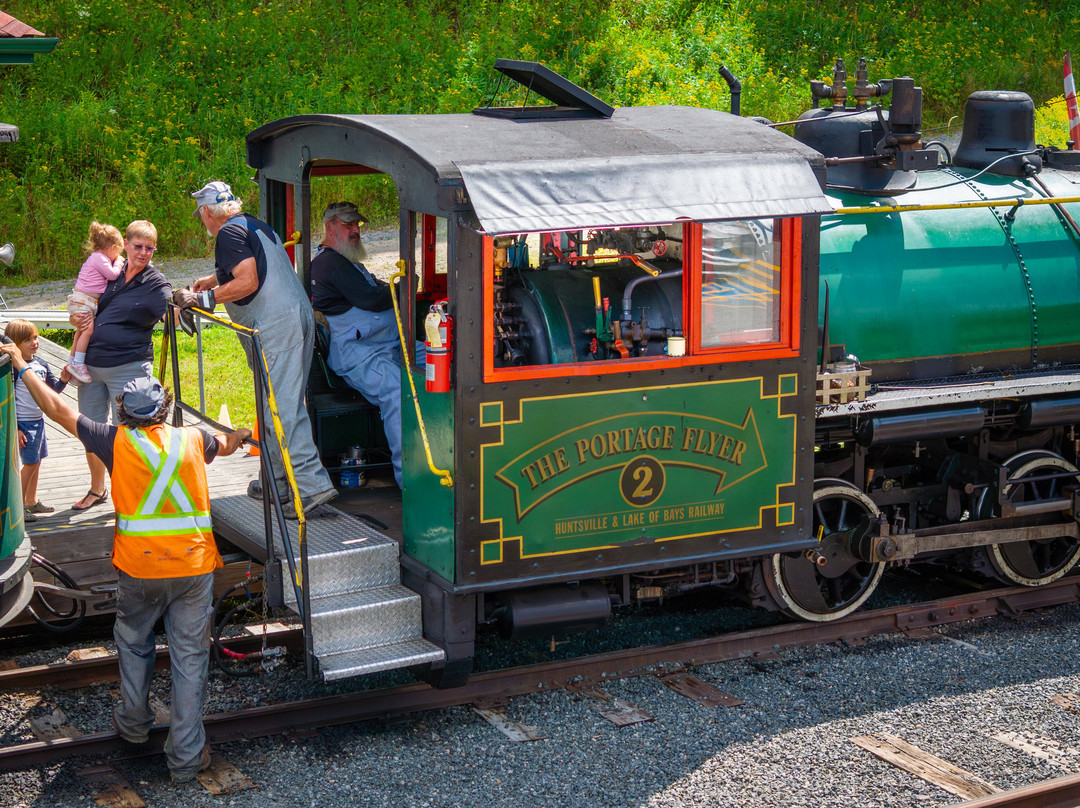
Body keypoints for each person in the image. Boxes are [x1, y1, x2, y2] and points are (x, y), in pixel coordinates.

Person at [0, 342, 250, 782]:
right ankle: (186, 759)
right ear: (164, 408)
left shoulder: (113, 440)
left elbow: (56, 409)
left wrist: (21, 366)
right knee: (190, 658)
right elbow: (227, 445)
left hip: (140, 568)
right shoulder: (193, 438)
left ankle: (134, 725)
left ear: (122, 411)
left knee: (134, 642)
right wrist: (242, 433)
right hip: (194, 568)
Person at [178, 180, 336, 516]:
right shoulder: (253, 224)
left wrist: (202, 299)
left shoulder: (227, 234)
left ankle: (311, 488)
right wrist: (215, 279)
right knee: (272, 404)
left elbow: (248, 280)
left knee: (282, 408)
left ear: (206, 213)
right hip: (295, 316)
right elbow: (255, 266)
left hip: (276, 325)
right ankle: (275, 483)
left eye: (200, 215)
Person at [310, 201, 424, 487]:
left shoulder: (348, 262)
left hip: (389, 344)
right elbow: (371, 298)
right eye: (348, 225)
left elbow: (376, 289)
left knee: (444, 359)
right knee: (396, 391)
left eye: (357, 224)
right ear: (330, 227)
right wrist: (402, 286)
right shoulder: (329, 263)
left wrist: (394, 287)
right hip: (360, 354)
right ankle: (410, 481)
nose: (355, 230)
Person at [69, 220, 171, 512]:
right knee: (90, 431)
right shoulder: (109, 270)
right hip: (90, 368)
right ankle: (97, 489)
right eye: (138, 246)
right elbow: (84, 301)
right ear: (125, 244)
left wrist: (183, 306)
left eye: (149, 248)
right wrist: (75, 318)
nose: (143, 253)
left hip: (129, 368)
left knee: (130, 434)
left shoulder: (155, 283)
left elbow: (172, 312)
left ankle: (133, 494)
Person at [4, 319, 69, 522]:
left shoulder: (42, 364)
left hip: (39, 422)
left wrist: (64, 380)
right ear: (14, 344)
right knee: (30, 464)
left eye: (35, 337)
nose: (34, 343)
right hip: (24, 424)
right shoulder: (12, 369)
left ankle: (31, 501)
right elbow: (9, 400)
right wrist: (15, 428)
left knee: (37, 461)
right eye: (27, 340)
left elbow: (51, 392)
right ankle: (18, 507)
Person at [66, 221, 125, 385]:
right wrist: (119, 261)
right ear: (113, 248)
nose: (118, 255)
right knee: (87, 330)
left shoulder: (96, 257)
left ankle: (71, 362)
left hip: (83, 301)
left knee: (80, 331)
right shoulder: (99, 258)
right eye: (118, 252)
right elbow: (112, 275)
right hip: (83, 301)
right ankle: (79, 365)